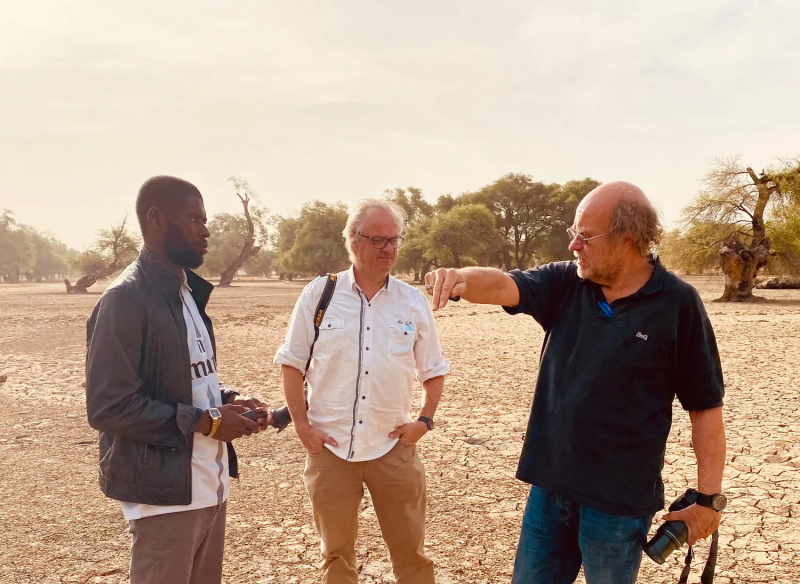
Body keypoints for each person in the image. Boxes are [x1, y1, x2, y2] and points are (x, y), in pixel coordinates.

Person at [426, 182, 726, 584]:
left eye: (585, 237)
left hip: (618, 507)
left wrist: (709, 501)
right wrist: (459, 278)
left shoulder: (678, 304)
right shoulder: (567, 283)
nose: (574, 247)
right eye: (574, 235)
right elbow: (504, 284)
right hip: (549, 492)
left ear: (628, 240)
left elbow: (705, 408)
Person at [85, 175, 272, 584]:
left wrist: (229, 400)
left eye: (205, 220)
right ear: (156, 219)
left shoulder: (187, 292)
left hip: (210, 486)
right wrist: (208, 421)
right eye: (194, 219)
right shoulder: (125, 299)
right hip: (165, 500)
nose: (205, 230)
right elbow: (108, 406)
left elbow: (187, 382)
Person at [274, 199, 450, 584]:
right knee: (336, 558)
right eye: (378, 240)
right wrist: (303, 428)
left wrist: (424, 421)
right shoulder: (320, 295)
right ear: (353, 241)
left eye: (394, 240)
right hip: (330, 449)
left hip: (394, 450)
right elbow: (291, 364)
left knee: (413, 558)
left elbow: (433, 370)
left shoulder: (412, 302)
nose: (389, 249)